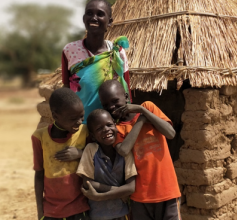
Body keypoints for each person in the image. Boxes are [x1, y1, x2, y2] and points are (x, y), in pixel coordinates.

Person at [98, 80, 181, 220]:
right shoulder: (116, 129)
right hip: (140, 196)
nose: (112, 107)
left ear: (126, 96)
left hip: (167, 190)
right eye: (106, 105)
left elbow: (170, 133)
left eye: (115, 101)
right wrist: (142, 120)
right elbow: (123, 150)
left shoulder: (148, 107)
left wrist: (142, 110)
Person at [62, 0, 131, 124]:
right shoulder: (70, 50)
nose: (94, 18)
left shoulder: (117, 51)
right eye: (89, 13)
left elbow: (126, 90)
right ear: (84, 19)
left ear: (110, 21)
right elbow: (67, 90)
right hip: (80, 125)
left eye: (100, 14)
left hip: (111, 126)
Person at [32, 88, 89, 220]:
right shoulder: (39, 138)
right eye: (73, 118)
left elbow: (98, 156)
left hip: (80, 209)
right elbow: (39, 175)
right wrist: (40, 212)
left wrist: (81, 153)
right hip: (52, 212)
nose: (79, 122)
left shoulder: (84, 132)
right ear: (55, 116)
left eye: (82, 116)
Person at [77, 109, 145, 220]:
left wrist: (100, 196)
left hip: (122, 214)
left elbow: (130, 188)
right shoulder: (91, 149)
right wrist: (119, 191)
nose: (106, 130)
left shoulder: (124, 152)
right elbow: (87, 183)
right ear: (93, 136)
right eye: (99, 129)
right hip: (97, 215)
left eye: (109, 125)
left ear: (115, 125)